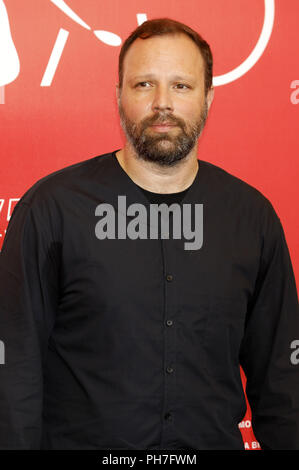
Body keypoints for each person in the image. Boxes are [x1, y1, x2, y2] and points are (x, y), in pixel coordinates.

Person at [0, 17, 298, 450]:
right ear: (119, 96)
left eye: (181, 86)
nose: (163, 103)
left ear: (208, 98)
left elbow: (283, 379)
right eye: (144, 85)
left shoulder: (251, 218)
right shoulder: (52, 210)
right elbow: (14, 369)